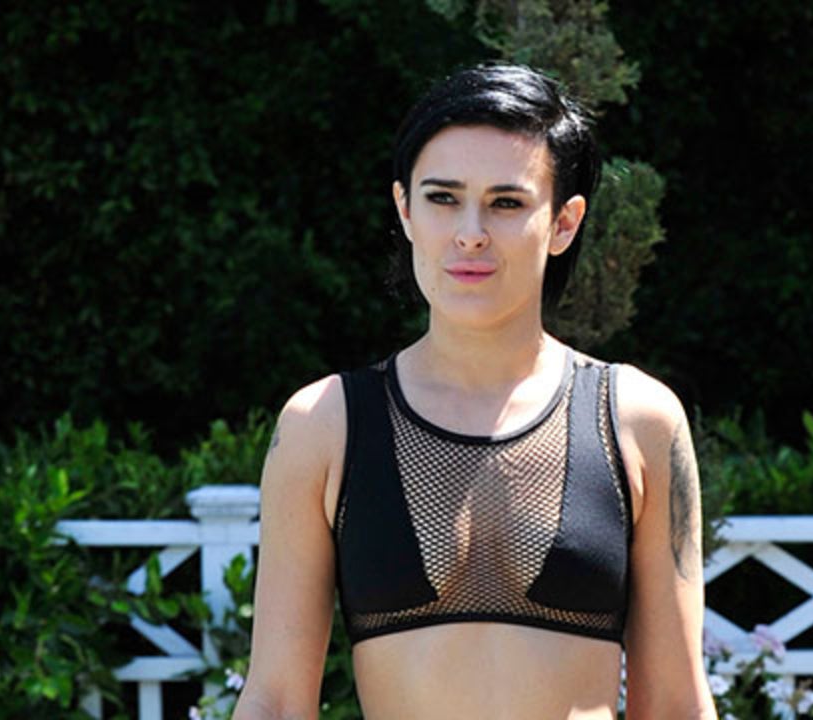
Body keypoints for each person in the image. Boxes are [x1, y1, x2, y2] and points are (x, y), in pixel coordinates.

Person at [233, 63, 717, 720]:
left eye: (506, 203)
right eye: (442, 198)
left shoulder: (637, 420)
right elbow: (276, 701)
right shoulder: (322, 426)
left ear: (564, 222)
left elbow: (678, 705)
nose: (470, 233)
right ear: (404, 209)